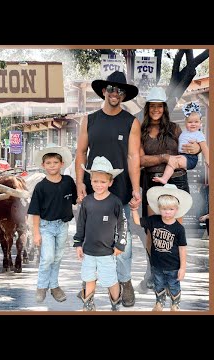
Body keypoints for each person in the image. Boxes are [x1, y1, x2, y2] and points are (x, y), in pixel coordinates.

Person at [75, 70, 140, 307]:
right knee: (91, 238)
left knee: (124, 242)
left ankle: (125, 281)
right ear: (104, 91)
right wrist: (80, 182)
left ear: (124, 95)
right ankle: (87, 284)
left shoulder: (131, 122)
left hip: (120, 192)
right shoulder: (89, 120)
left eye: (120, 91)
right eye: (111, 89)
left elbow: (133, 156)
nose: (115, 94)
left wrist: (136, 188)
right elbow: (81, 153)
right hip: (95, 191)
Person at [137, 87, 200, 292]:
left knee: (174, 230)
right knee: (151, 232)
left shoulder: (175, 128)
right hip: (152, 181)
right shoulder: (141, 130)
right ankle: (152, 271)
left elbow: (190, 150)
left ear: (164, 108)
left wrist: (197, 148)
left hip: (177, 181)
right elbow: (140, 159)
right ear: (148, 108)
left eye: (159, 106)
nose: (156, 109)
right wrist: (164, 157)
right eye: (152, 105)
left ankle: (175, 274)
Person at [73, 156, 127, 311]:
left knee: (111, 280)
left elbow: (123, 224)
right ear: (91, 181)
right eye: (95, 181)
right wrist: (78, 244)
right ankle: (88, 304)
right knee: (89, 278)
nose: (99, 185)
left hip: (107, 251)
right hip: (88, 251)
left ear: (110, 182)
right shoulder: (87, 202)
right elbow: (81, 224)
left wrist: (120, 244)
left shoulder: (115, 202)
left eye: (103, 182)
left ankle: (115, 304)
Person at [28, 146, 77, 304]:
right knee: (47, 257)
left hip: (63, 226)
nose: (52, 165)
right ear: (43, 165)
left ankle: (54, 286)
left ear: (62, 163)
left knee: (57, 257)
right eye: (48, 162)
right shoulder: (40, 187)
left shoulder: (68, 182)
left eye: (55, 162)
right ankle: (41, 287)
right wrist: (36, 233)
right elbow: (35, 212)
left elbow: (76, 199)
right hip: (46, 226)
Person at [131, 184, 192, 311]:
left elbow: (182, 248)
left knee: (174, 285)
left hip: (173, 266)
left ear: (176, 209)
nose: (167, 212)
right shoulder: (154, 220)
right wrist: (134, 209)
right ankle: (159, 302)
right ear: (159, 208)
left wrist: (183, 268)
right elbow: (137, 221)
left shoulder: (179, 229)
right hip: (157, 264)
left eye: (170, 209)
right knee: (158, 284)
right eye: (164, 209)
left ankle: (175, 304)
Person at [152, 101, 209, 184]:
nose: (193, 124)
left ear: (200, 123)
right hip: (182, 156)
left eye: (196, 122)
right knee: (171, 162)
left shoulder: (198, 134)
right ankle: (164, 178)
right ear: (185, 123)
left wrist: (208, 161)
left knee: (173, 162)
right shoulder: (184, 132)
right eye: (190, 122)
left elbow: (204, 147)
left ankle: (165, 178)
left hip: (190, 158)